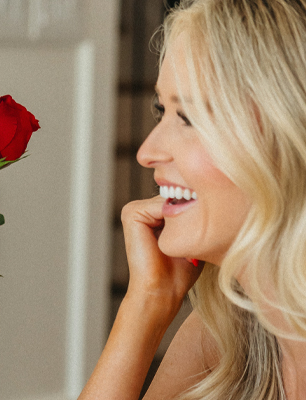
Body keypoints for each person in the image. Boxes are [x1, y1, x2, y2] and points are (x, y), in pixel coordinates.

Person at [79, 0, 306, 399]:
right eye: (161, 110)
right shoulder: (229, 335)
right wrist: (146, 304)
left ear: (283, 139)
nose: (147, 151)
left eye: (187, 118)